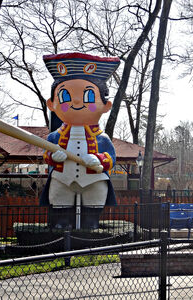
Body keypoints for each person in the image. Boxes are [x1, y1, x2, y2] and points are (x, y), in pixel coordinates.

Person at [40, 52, 120, 229]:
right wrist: (53, 157)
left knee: (93, 201)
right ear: (52, 104)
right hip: (62, 178)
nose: (76, 101)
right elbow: (46, 154)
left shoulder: (102, 138)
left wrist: (99, 159)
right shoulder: (55, 137)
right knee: (60, 202)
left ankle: (91, 222)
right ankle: (61, 223)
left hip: (93, 180)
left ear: (106, 106)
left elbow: (111, 158)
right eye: (65, 97)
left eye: (89, 96)